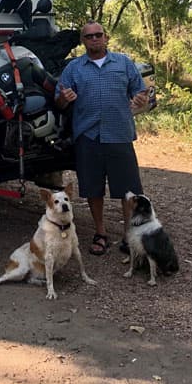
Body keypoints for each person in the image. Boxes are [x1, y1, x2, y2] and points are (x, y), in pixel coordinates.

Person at [55, 21, 149, 256]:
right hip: (88, 136)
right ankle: (101, 233)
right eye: (89, 36)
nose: (94, 39)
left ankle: (129, 235)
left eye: (98, 35)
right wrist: (64, 98)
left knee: (128, 189)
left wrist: (141, 100)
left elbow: (141, 91)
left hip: (119, 133)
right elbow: (58, 101)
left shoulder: (124, 63)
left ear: (106, 38)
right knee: (92, 188)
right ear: (83, 41)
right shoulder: (74, 68)